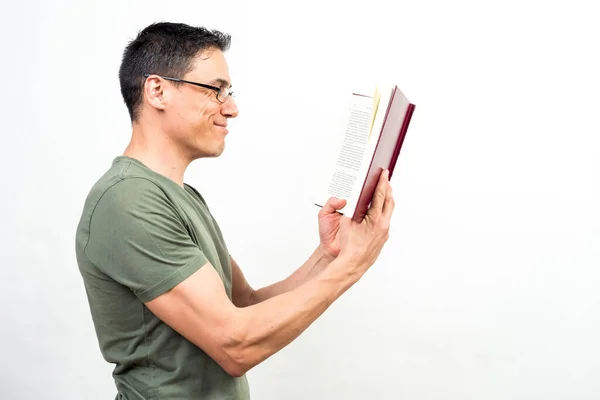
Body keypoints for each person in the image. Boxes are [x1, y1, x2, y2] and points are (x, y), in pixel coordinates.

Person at [75, 21, 395, 400]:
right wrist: (351, 267)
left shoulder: (180, 196)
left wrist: (329, 256)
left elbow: (245, 306)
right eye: (215, 90)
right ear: (157, 90)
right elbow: (234, 345)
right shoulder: (128, 201)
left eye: (229, 91)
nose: (231, 108)